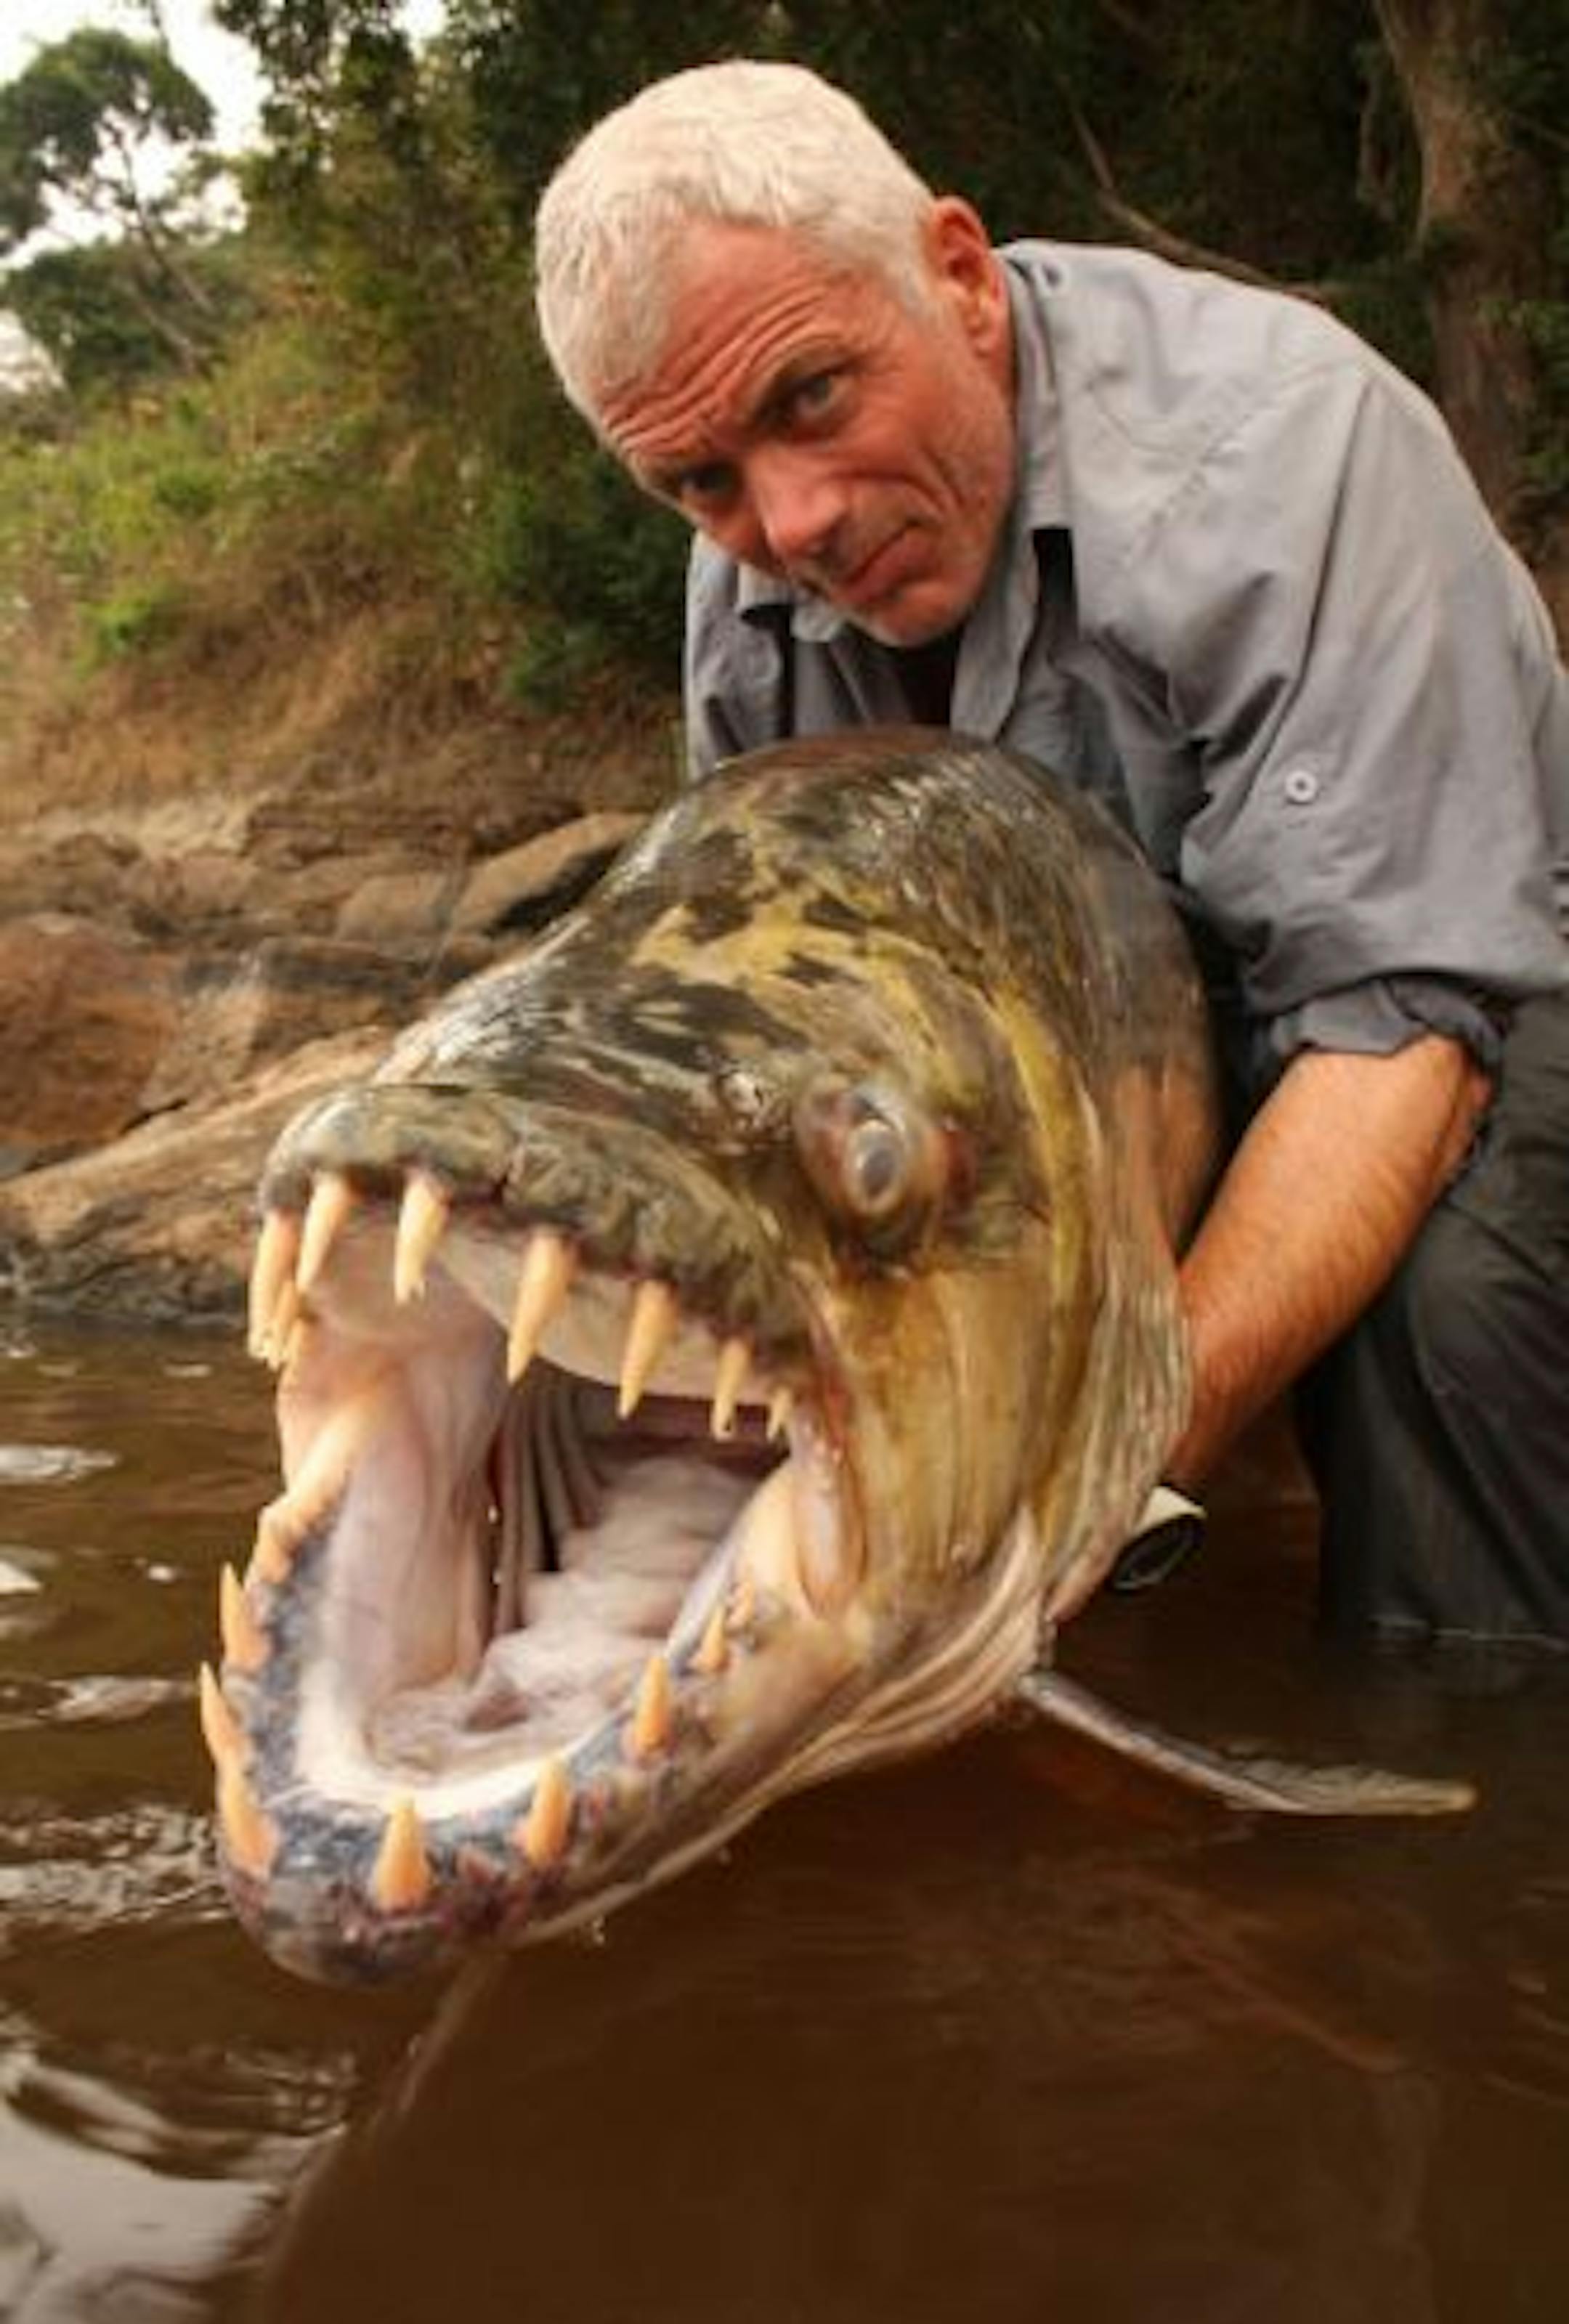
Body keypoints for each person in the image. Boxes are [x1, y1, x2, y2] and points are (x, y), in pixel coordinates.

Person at [533, 60, 1569, 1646]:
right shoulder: (740, 596)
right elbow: (787, 1029)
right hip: (1129, 1043)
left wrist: (1096, 1479)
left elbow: (1398, 1033)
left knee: (1446, 1316)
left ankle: (1470, 1804)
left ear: (956, 275)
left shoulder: (1288, 452)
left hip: (1465, 979)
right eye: (702, 479)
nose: (791, 522)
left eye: (813, 397)